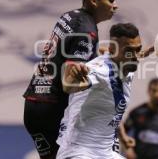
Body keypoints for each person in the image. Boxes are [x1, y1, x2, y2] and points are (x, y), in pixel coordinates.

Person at [23, 0, 118, 159]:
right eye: (111, 0)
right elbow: (69, 80)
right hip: (51, 109)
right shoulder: (87, 30)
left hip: (35, 103)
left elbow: (67, 53)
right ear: (93, 0)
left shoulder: (70, 16)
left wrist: (98, 54)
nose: (115, 5)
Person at [56, 23, 142, 159]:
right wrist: (72, 77)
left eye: (138, 49)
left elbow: (112, 110)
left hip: (105, 153)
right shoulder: (99, 70)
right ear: (113, 49)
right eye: (129, 51)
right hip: (79, 151)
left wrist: (124, 137)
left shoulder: (127, 65)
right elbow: (69, 87)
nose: (136, 56)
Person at [125, 78, 158, 159]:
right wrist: (128, 149)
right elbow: (124, 131)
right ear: (148, 91)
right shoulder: (137, 112)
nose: (157, 94)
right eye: (154, 90)